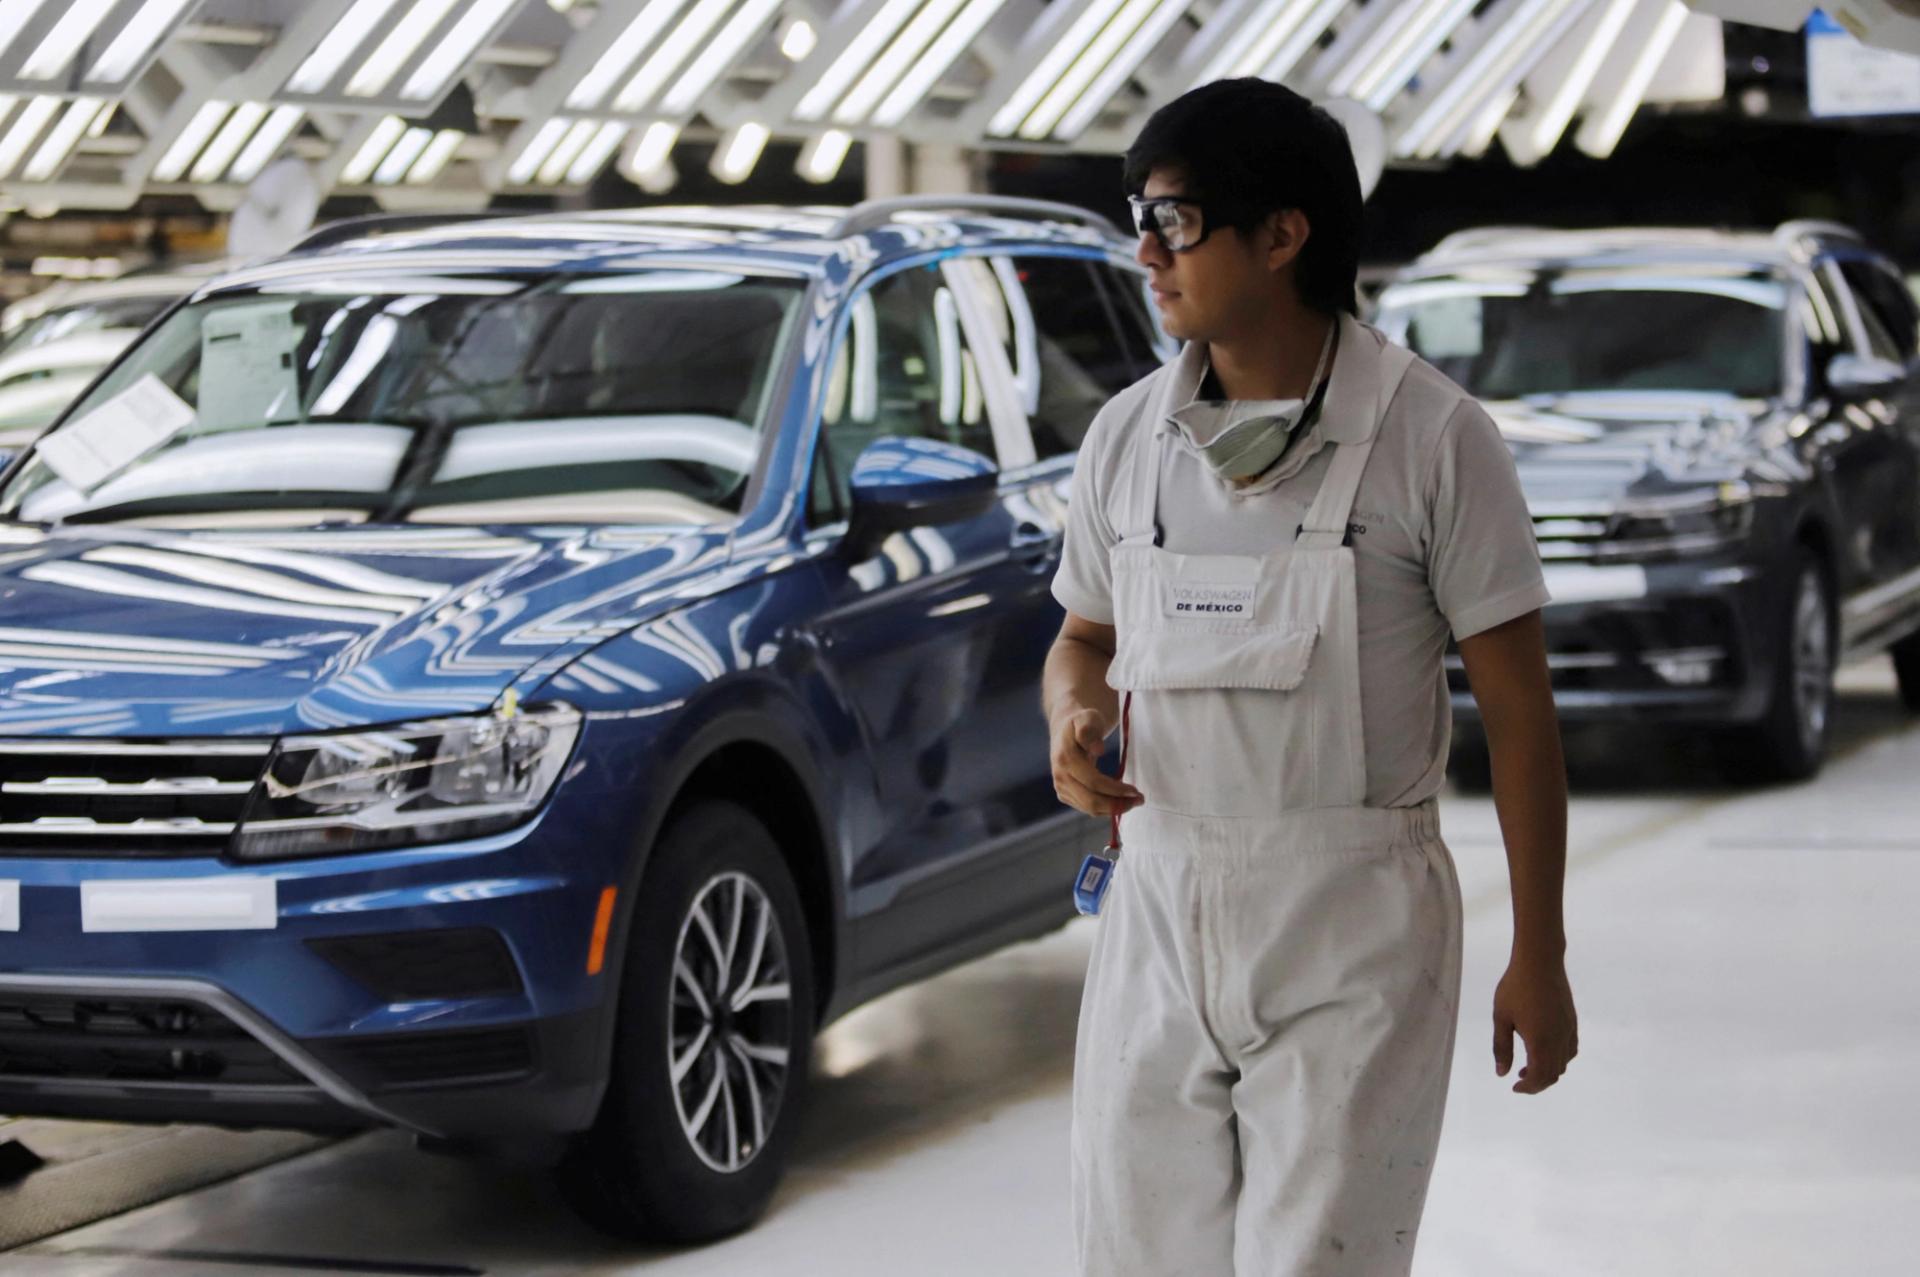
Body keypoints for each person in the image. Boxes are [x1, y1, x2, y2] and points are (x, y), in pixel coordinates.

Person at [1042, 79, 1579, 1276]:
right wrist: (1072, 712)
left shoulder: (1435, 439)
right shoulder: (1128, 438)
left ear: (1283, 235)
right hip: (1158, 901)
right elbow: (1081, 636)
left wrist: (1537, 948)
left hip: (1354, 919)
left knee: (1322, 1261)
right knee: (1135, 1256)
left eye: (1175, 220)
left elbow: (1522, 717)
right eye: (1140, 214)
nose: (1145, 252)